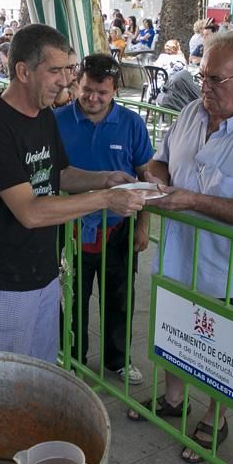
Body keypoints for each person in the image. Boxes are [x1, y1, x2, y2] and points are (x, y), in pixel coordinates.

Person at [126, 31, 233, 463]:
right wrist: (158, 179)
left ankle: (216, 418)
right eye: (201, 75)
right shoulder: (189, 113)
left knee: (225, 350)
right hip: (181, 255)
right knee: (174, 332)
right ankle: (172, 399)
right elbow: (160, 160)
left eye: (215, 80)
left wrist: (193, 200)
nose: (204, 87)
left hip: (232, 270)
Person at [0, 24, 146, 362]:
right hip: (4, 279)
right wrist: (106, 199)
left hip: (42, 272)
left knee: (40, 372)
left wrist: (107, 179)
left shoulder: (43, 116)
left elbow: (60, 173)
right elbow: (30, 212)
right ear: (22, 71)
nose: (66, 81)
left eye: (69, 69)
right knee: (7, 385)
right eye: (56, 71)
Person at [53, 53, 153, 383]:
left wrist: (143, 225)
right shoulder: (57, 121)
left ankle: (117, 359)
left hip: (118, 228)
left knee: (120, 296)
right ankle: (72, 357)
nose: (93, 98)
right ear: (76, 84)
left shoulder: (132, 124)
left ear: (115, 91)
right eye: (86, 90)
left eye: (102, 92)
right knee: (72, 298)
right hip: (70, 228)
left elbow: (145, 176)